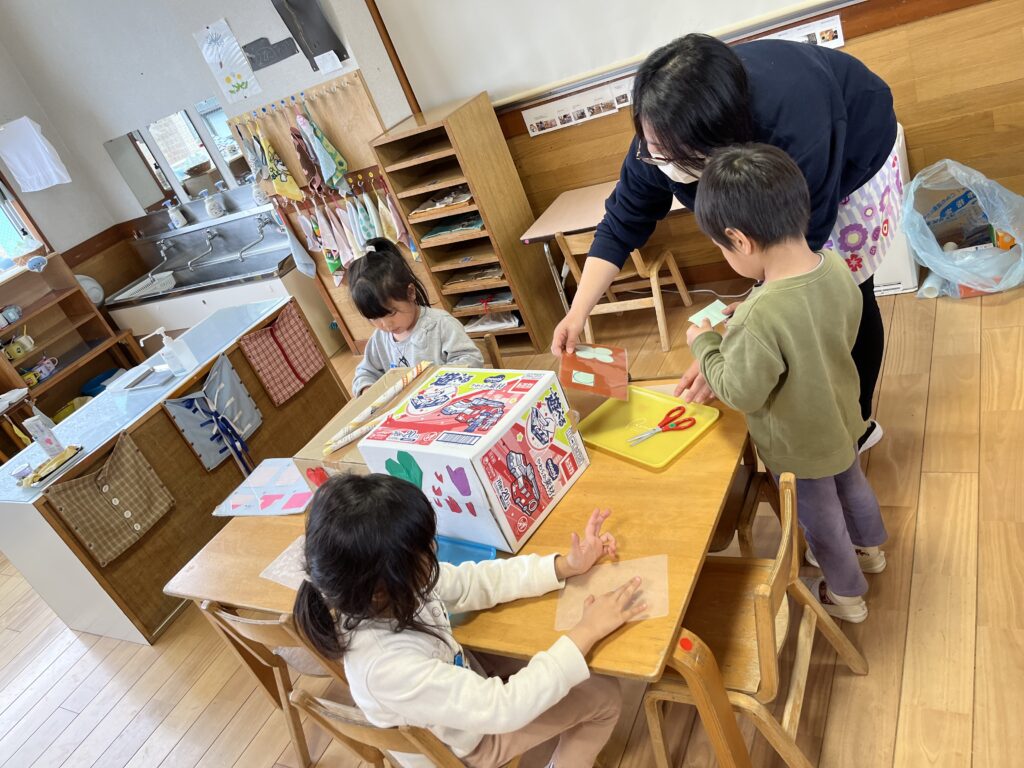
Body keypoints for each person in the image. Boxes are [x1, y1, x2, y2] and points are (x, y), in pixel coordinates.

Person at [551, 34, 899, 453]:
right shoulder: (658, 136)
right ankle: (822, 409)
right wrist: (578, 312)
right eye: (652, 148)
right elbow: (621, 221)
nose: (658, 160)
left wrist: (730, 348)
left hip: (852, 149)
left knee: (846, 292)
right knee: (783, 316)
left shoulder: (793, 123)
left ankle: (857, 424)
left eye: (673, 155)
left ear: (722, 145)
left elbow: (795, 249)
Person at [294, 473, 644, 768]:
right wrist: (586, 630)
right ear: (383, 588)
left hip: (460, 684)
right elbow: (503, 708)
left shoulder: (384, 590)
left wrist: (564, 566)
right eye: (424, 550)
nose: (434, 551)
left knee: (541, 648)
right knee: (604, 695)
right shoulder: (385, 666)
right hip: (467, 746)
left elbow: (473, 581)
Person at [684, 144, 886, 622]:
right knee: (853, 484)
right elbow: (820, 324)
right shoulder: (834, 266)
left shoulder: (759, 316)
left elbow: (741, 391)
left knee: (821, 522)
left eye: (720, 248)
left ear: (739, 240)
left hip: (799, 445)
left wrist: (704, 344)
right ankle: (871, 551)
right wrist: (754, 317)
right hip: (843, 416)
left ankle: (846, 596)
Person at [349, 238, 483, 395]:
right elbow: (365, 373)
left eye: (391, 313)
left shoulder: (441, 324)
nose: (385, 325)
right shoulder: (379, 339)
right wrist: (366, 389)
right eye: (374, 318)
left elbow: (472, 360)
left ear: (410, 293)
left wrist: (437, 380)